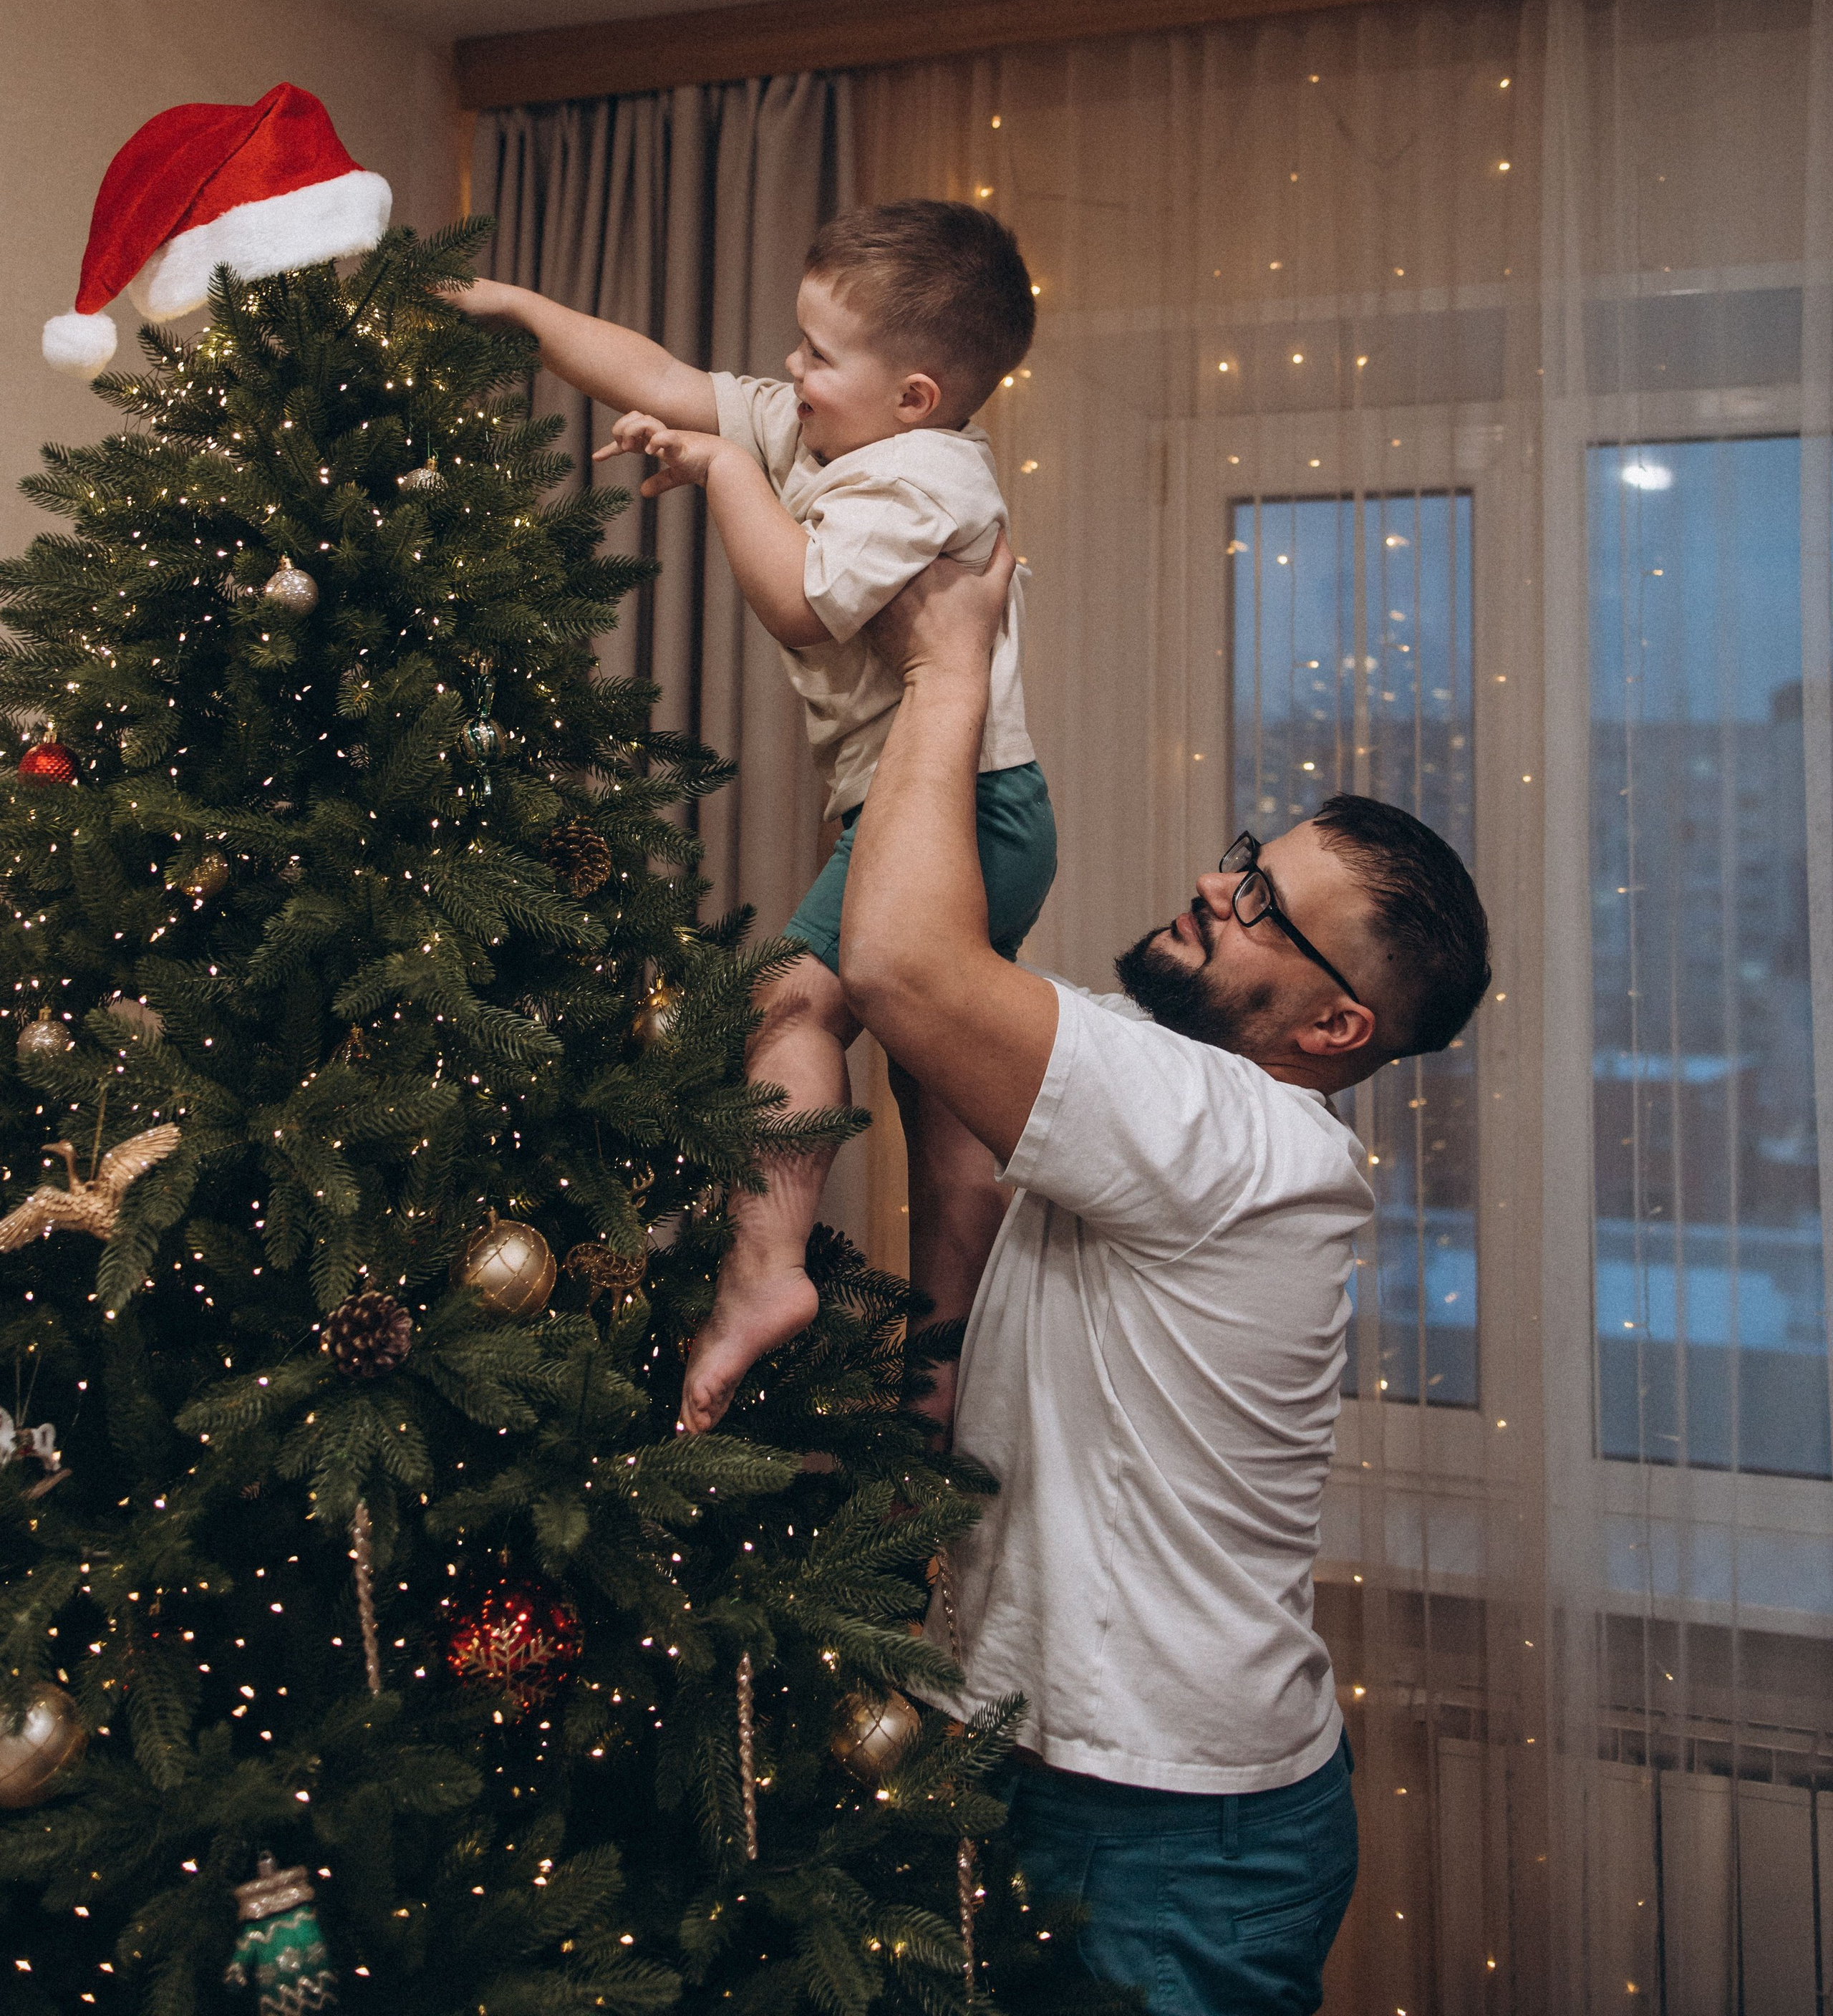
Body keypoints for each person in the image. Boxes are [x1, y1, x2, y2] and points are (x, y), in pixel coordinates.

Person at [839, 539, 1492, 2016]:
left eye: (1264, 903)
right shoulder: (1173, 1094)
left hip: (1168, 1829)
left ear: (1333, 1030)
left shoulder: (1232, 1132)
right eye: (1249, 854)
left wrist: (948, 659)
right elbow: (956, 1115)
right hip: (1046, 1760)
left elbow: (899, 963)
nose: (1217, 882)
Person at [439, 202, 1055, 1434]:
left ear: (917, 394)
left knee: (791, 999)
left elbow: (799, 603)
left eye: (820, 355)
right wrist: (519, 312)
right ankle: (939, 1364)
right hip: (947, 807)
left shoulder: (923, 475)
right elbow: (661, 373)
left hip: (959, 808)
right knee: (945, 1093)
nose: (791, 371)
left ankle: (763, 1272)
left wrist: (719, 469)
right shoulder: (841, 434)